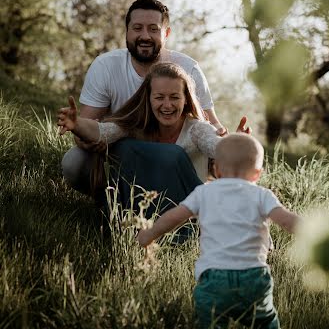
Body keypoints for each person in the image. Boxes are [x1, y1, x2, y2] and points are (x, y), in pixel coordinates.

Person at [138, 133, 300, 329]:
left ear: (216, 170)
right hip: (253, 278)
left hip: (214, 280)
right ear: (257, 173)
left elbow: (174, 216)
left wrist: (149, 234)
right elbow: (287, 221)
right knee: (265, 325)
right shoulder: (262, 195)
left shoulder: (204, 193)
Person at [61, 0, 226, 194]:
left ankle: (188, 206)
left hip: (179, 160)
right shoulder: (106, 66)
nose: (145, 36)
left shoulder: (188, 69)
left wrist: (234, 142)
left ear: (166, 33)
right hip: (125, 157)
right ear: (127, 32)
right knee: (75, 161)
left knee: (178, 158)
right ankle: (111, 203)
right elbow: (98, 130)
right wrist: (80, 127)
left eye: (153, 29)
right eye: (137, 28)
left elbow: (212, 127)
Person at [58, 63, 250, 218]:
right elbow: (103, 132)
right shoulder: (138, 125)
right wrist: (77, 123)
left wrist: (238, 144)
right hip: (144, 208)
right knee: (125, 147)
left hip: (187, 212)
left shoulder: (197, 129)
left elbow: (215, 146)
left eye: (175, 97)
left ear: (186, 100)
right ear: (148, 99)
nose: (167, 105)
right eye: (159, 97)